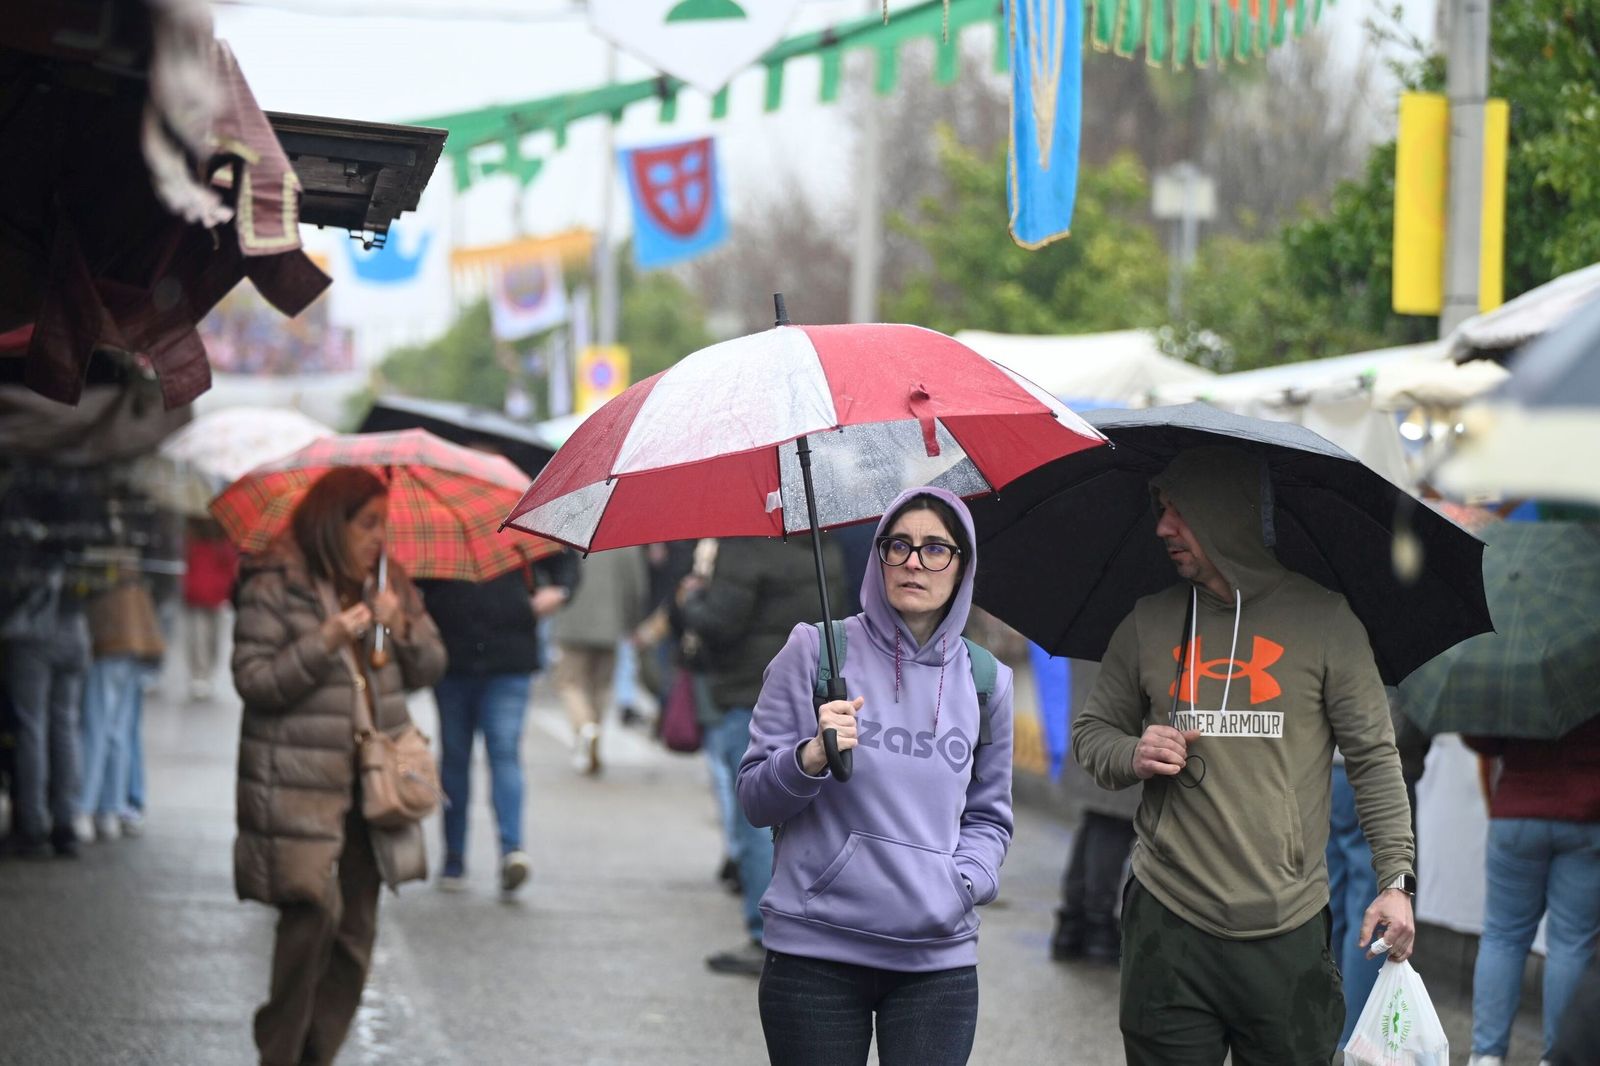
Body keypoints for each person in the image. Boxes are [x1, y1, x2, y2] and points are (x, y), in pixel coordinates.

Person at [1071, 446, 1416, 1066]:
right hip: (1166, 923)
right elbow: (1092, 735)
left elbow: (1373, 758)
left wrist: (1395, 881)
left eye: (1178, 511)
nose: (1162, 529)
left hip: (1287, 929)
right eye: (1159, 510)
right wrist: (1134, 751)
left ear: (1225, 512)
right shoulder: (1150, 621)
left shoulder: (1325, 620)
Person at [738, 488, 1014, 1066]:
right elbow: (756, 800)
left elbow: (989, 816)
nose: (914, 562)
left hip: (936, 961)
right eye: (899, 546)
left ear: (962, 566)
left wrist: (963, 883)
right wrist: (809, 758)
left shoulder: (987, 681)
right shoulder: (814, 651)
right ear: (878, 556)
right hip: (814, 955)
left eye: (937, 548)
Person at [231, 467, 446, 1066]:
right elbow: (254, 681)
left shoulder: (386, 579)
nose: (380, 537)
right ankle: (279, 1053)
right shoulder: (278, 582)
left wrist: (398, 620)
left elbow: (431, 665)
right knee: (309, 919)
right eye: (367, 523)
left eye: (385, 523)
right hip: (301, 783)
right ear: (333, 521)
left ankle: (315, 1055)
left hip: (373, 785)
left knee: (354, 935)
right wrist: (326, 638)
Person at [674, 532, 847, 977]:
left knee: (753, 814)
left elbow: (722, 622)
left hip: (752, 692)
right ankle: (805, 924)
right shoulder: (822, 541)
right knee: (808, 813)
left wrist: (690, 601)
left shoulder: (744, 547)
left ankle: (764, 933)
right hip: (812, 694)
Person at [418, 549, 577, 897]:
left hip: (509, 658)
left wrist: (559, 591)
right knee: (456, 761)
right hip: (453, 660)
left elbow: (566, 561)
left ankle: (511, 850)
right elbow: (417, 576)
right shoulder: (440, 523)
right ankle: (454, 857)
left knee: (502, 752)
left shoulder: (521, 515)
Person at [1461, 715, 1600, 1066]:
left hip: (1516, 812)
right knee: (1571, 943)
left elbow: (1482, 739)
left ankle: (1486, 1055)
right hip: (1587, 816)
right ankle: (1557, 1058)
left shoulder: (1515, 665)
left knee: (1501, 936)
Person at [548, 546, 648, 776]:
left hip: (572, 625)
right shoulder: (625, 540)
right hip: (610, 624)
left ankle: (583, 726)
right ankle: (593, 748)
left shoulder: (570, 535)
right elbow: (636, 587)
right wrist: (632, 622)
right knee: (600, 688)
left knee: (570, 683)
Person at [182, 517, 239, 702]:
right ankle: (201, 674)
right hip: (204, 595)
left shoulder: (220, 543)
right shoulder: (194, 541)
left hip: (210, 595)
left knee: (207, 636)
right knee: (202, 636)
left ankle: (204, 673)